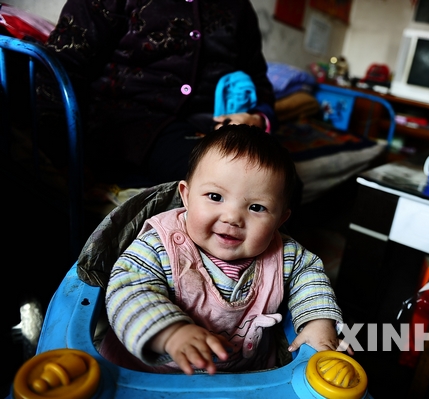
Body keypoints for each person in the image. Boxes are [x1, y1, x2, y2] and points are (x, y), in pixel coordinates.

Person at [100, 124, 347, 374]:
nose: (232, 218)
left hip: (243, 377)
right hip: (147, 375)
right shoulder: (158, 244)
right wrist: (171, 333)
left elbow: (310, 278)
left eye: (257, 208)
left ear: (280, 220)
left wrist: (318, 322)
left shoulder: (284, 253)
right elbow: (129, 289)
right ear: (186, 196)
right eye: (215, 197)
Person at [40, 0, 276, 185]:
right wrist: (63, 155)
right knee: (239, 180)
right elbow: (62, 65)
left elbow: (259, 83)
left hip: (209, 130)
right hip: (123, 123)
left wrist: (256, 118)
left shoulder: (239, 8)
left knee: (279, 182)